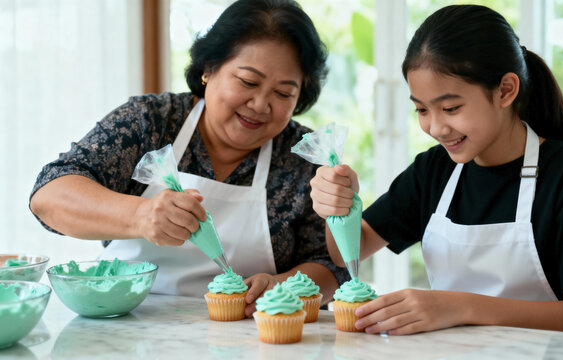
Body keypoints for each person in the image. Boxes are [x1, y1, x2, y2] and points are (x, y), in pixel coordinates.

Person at [310, 4, 563, 335]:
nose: (435, 127)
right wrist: (339, 207)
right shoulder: (434, 170)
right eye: (421, 109)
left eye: (451, 108)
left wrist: (460, 306)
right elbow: (347, 251)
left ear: (506, 90)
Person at [29, 0, 348, 316]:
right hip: (125, 325)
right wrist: (140, 215)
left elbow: (331, 264)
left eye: (283, 94)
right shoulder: (150, 121)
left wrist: (282, 286)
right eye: (248, 81)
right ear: (209, 69)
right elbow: (50, 195)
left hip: (250, 335)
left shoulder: (302, 156)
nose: (261, 104)